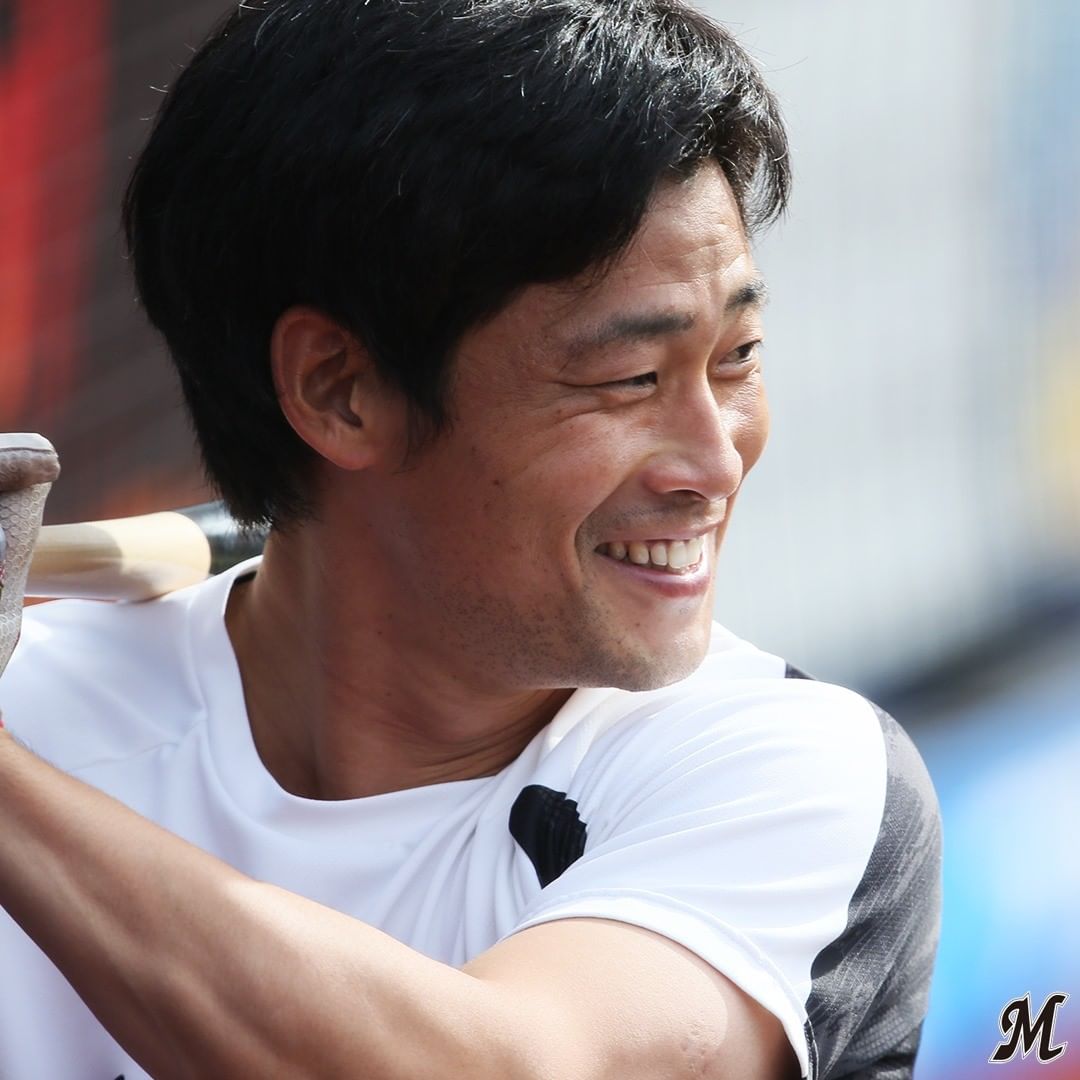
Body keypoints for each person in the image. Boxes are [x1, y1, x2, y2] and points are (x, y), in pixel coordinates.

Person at [0, 1, 941, 1077]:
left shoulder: (779, 770)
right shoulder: (37, 713)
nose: (714, 462)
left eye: (737, 356)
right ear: (339, 391)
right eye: (631, 378)